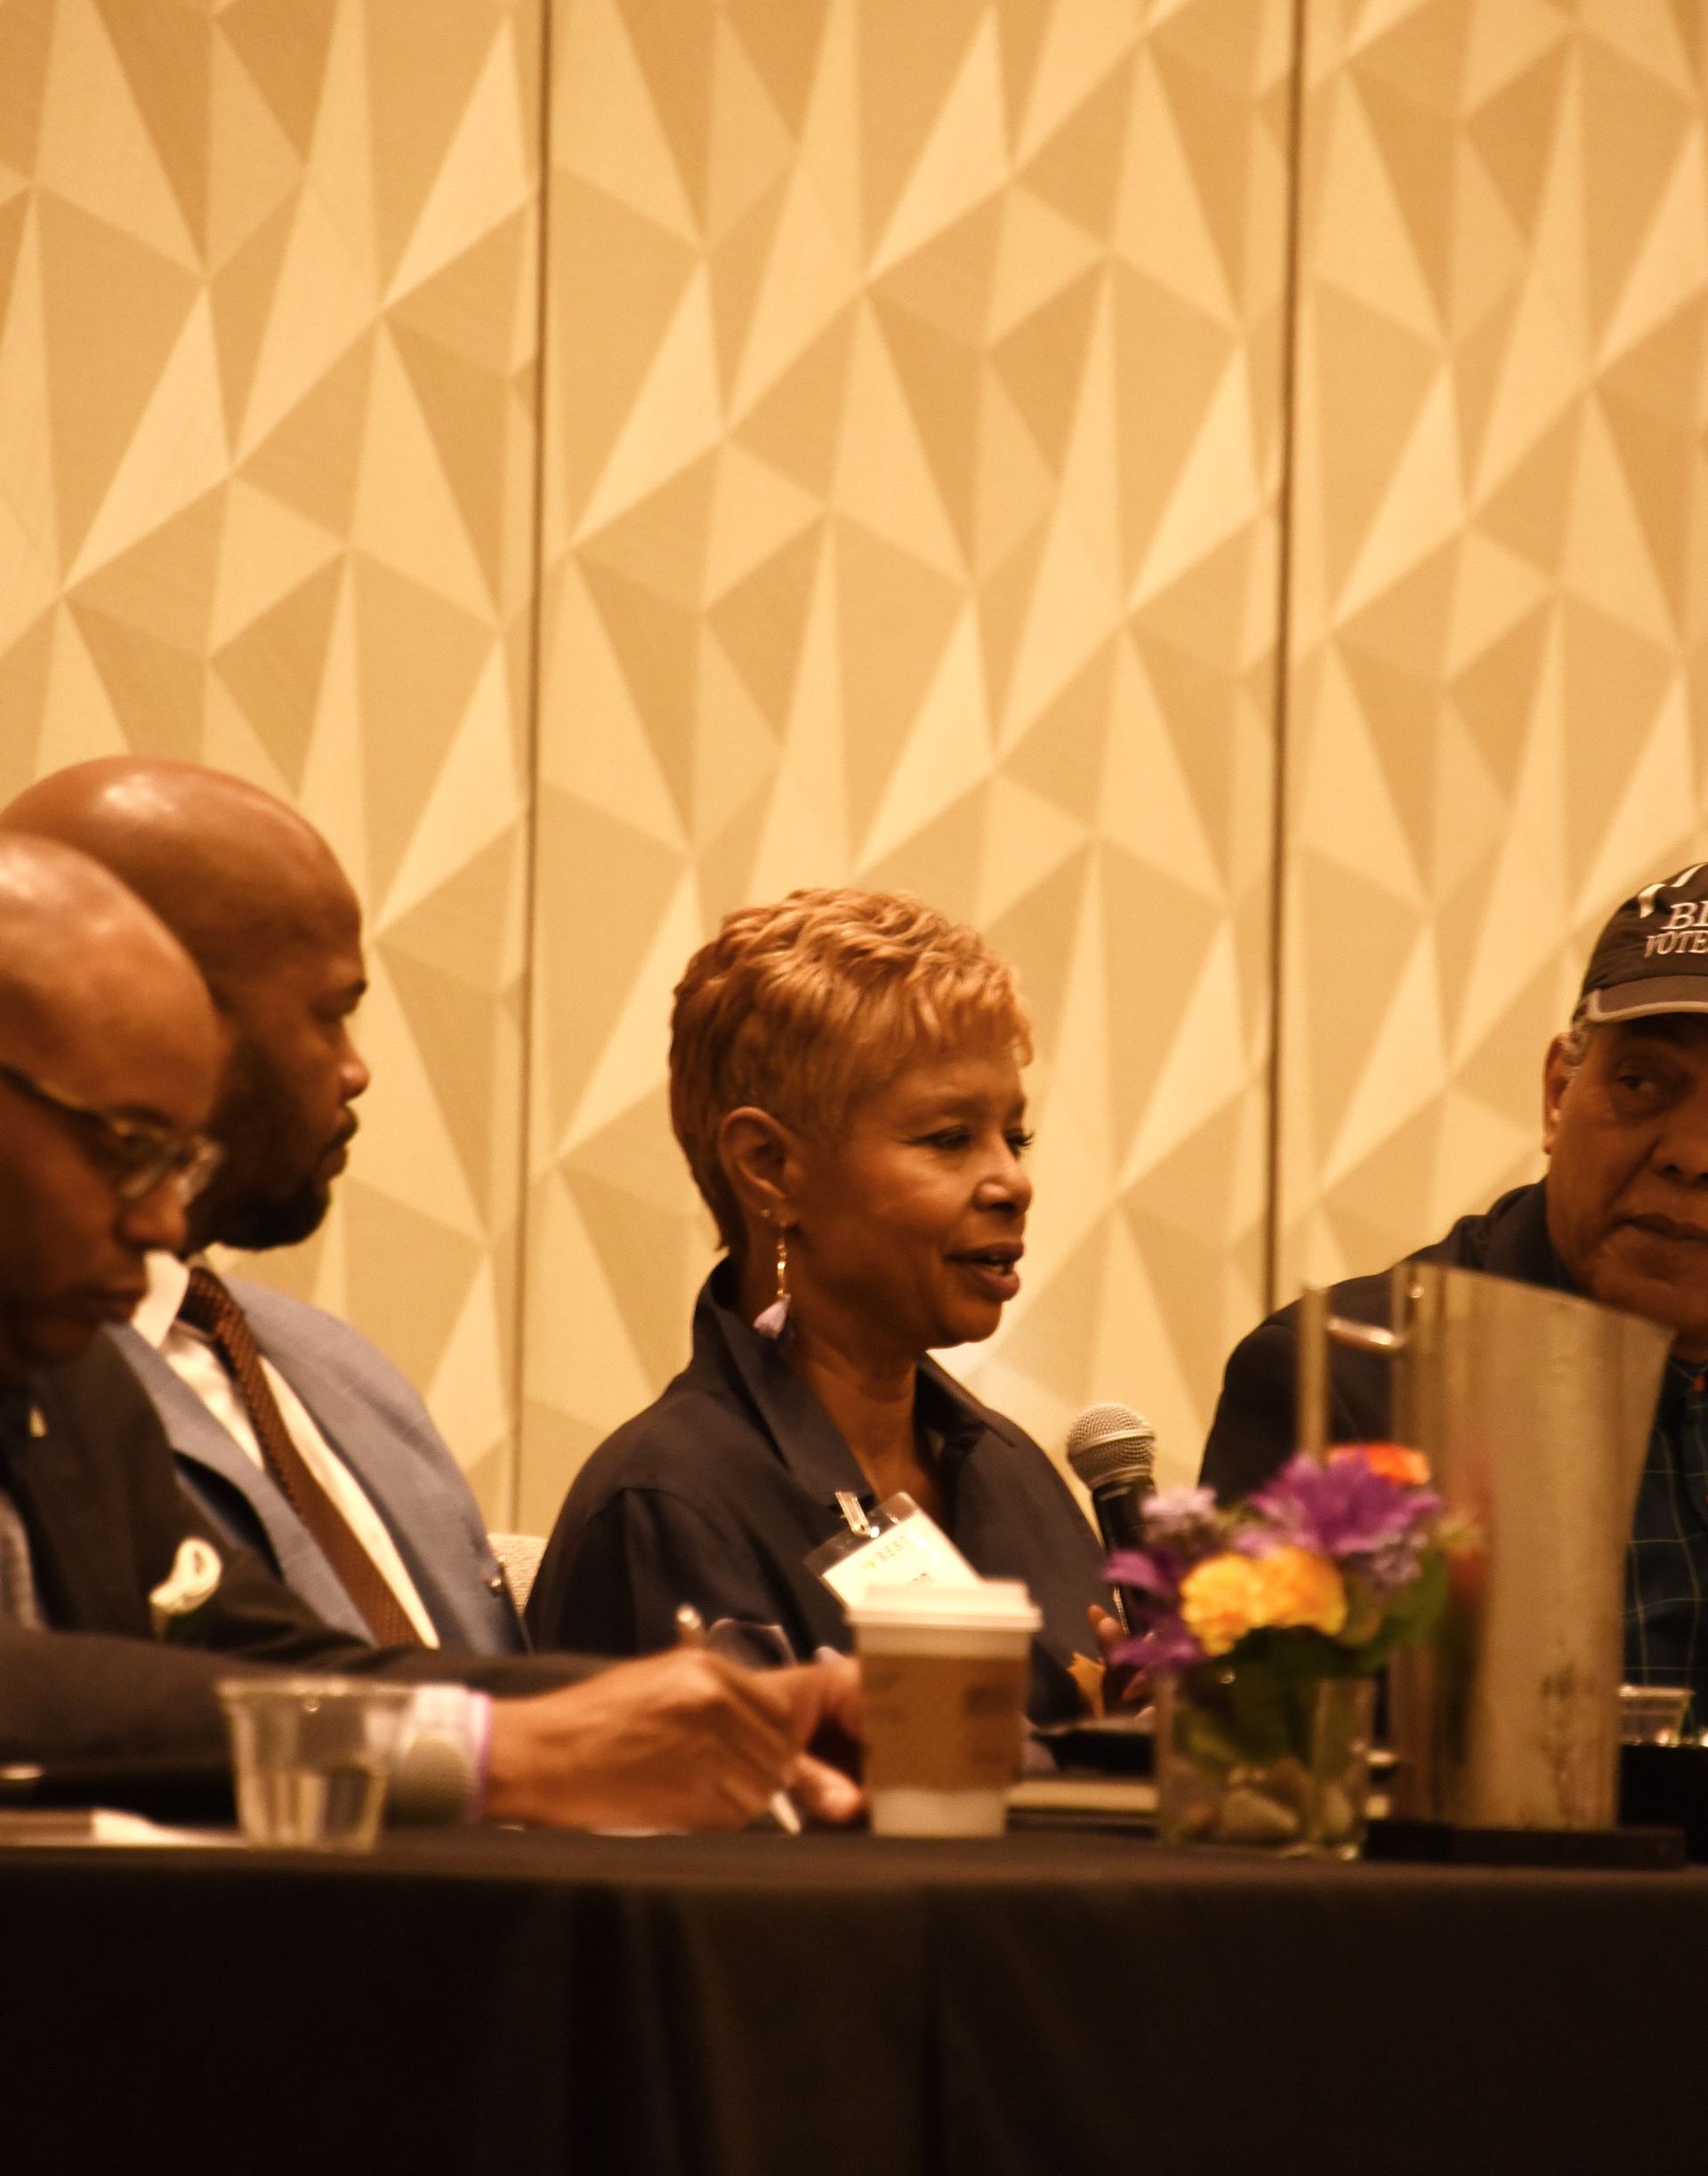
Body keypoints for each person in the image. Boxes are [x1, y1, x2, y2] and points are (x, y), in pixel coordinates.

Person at [0, 827, 860, 1830]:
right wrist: (489, 1752)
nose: (159, 1224)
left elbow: (267, 1660)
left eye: (182, 1165)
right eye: (131, 1148)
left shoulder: (70, 1381)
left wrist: (710, 1715)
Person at [528, 888, 1105, 1720]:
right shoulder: (667, 1504)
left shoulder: (1013, 1471)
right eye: (949, 1139)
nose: (1013, 1182)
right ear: (769, 1167)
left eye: (1014, 1138)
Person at [1, 757, 518, 1655]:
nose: (357, 1068)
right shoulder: (70, 1363)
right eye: (132, 1146)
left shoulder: (343, 1370)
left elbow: (288, 1663)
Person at [1202, 861, 1708, 1707]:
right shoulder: (1351, 1382)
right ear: (1557, 1094)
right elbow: (1266, 1773)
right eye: (1642, 1083)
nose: (1692, 1154)